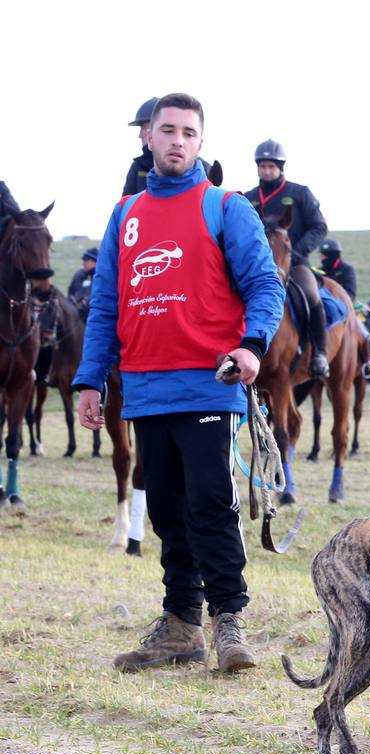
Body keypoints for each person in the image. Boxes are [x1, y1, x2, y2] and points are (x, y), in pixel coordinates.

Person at [72, 93, 284, 675]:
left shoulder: (226, 207)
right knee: (165, 507)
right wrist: (91, 379)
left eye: (188, 133)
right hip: (143, 387)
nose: (177, 141)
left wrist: (252, 345)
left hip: (209, 383)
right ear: (148, 137)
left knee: (210, 501)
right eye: (167, 130)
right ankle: (181, 626)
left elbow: (267, 285)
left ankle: (229, 621)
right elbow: (105, 306)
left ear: (200, 142)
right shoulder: (125, 215)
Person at [244, 139, 330, 379]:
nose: (267, 171)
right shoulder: (249, 198)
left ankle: (319, 354)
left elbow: (319, 226)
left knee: (312, 296)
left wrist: (297, 253)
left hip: (295, 263)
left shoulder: (300, 193)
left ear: (281, 167)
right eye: (263, 166)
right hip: (258, 267)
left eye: (272, 166)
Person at [122, 97, 158, 197]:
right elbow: (125, 208)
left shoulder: (201, 168)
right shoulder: (137, 167)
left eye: (142, 128)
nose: (139, 135)